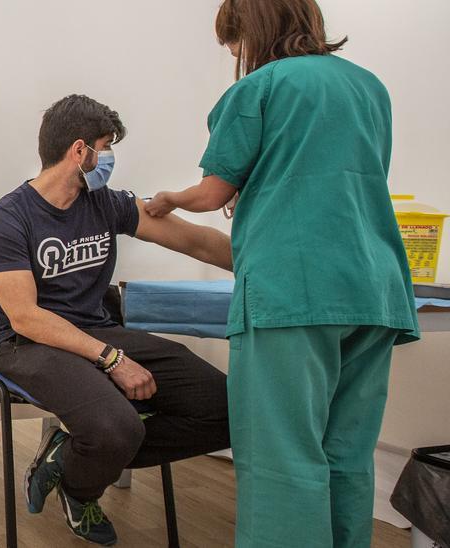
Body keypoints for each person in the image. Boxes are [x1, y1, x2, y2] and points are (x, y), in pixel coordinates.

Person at [144, 2, 420, 545]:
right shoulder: (369, 87)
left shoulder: (258, 90)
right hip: (375, 289)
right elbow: (332, 175)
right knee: (347, 451)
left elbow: (212, 192)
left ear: (254, 30)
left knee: (282, 455)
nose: (237, 56)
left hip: (292, 292)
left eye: (235, 44)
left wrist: (169, 199)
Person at [0, 95, 234, 545]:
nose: (109, 158)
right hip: (29, 345)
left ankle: (73, 455)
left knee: (227, 408)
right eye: (106, 146)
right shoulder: (6, 219)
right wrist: (112, 358)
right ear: (80, 151)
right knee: (116, 427)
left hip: (96, 331)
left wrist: (264, 265)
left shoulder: (107, 204)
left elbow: (197, 243)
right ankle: (81, 489)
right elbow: (25, 317)